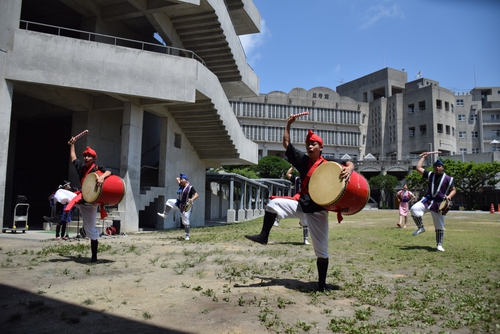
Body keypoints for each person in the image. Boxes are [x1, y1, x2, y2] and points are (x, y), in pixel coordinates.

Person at [245, 115, 354, 292]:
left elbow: (348, 162)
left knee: (322, 250)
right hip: (301, 204)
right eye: (308, 144)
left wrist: (349, 167)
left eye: (314, 144)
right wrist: (288, 124)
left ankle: (321, 284)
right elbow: (286, 144)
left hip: (317, 210)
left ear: (321, 147)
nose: (310, 147)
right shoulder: (302, 160)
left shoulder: (328, 165)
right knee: (273, 204)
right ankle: (264, 236)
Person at [68, 140, 112, 262]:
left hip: (90, 204)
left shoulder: (97, 168)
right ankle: (61, 220)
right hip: (80, 199)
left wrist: (102, 177)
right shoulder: (81, 168)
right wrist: (72, 145)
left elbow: (109, 171)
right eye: (85, 156)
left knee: (90, 230)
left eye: (89, 156)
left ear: (94, 158)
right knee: (61, 194)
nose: (86, 158)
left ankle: (94, 257)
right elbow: (73, 158)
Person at [410, 154, 456, 252]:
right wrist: (423, 157)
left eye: (439, 166)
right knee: (414, 209)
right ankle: (421, 227)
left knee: (439, 226)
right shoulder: (430, 174)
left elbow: (453, 190)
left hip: (439, 204)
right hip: (428, 200)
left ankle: (439, 244)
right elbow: (418, 168)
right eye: (435, 166)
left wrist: (449, 196)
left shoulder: (448, 178)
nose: (437, 168)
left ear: (443, 167)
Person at [273, 166, 310, 245]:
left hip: (303, 200)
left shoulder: (307, 179)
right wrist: (293, 166)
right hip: (298, 199)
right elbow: (288, 174)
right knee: (286, 207)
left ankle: (305, 239)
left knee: (305, 221)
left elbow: (288, 174)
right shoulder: (298, 179)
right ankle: (277, 218)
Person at [157, 173, 199, 241]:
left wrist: (192, 199)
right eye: (181, 179)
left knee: (185, 221)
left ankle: (187, 235)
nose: (181, 181)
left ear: (186, 180)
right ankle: (165, 214)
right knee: (169, 201)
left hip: (187, 205)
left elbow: (196, 195)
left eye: (182, 179)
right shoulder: (182, 185)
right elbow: (177, 178)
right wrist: (182, 179)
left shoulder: (190, 187)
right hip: (180, 203)